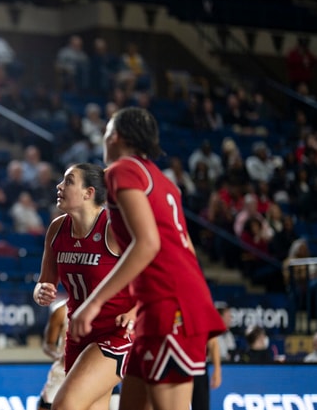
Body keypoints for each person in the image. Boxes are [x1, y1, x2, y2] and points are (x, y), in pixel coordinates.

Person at [69, 107, 226, 410]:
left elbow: (147, 243)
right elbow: (185, 248)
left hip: (169, 303)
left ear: (115, 136)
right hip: (165, 302)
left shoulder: (121, 170)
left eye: (105, 133)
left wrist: (94, 302)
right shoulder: (163, 180)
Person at [32, 163, 136, 410]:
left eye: (68, 181)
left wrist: (136, 311)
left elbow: (155, 273)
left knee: (65, 405)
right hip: (79, 333)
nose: (59, 185)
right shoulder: (57, 229)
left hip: (117, 330)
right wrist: (40, 292)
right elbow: (44, 282)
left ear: (89, 193)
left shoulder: (112, 227)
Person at [36, 298, 66, 410]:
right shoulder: (61, 311)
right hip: (63, 373)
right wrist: (58, 355)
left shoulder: (105, 309)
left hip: (95, 371)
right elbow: (48, 344)